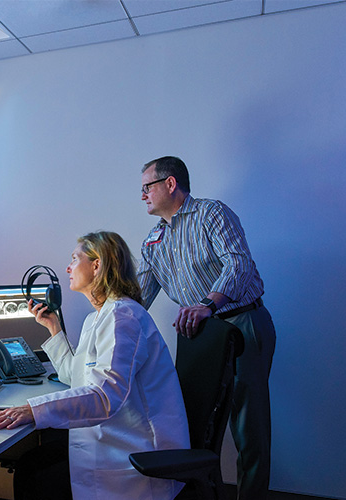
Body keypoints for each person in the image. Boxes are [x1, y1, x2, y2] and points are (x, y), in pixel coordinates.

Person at [0, 231, 190, 500]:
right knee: (31, 465)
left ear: (97, 264)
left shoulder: (123, 316)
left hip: (132, 457)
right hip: (109, 441)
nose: (68, 267)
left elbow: (104, 397)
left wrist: (34, 410)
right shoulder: (98, 318)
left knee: (34, 473)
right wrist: (53, 328)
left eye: (74, 258)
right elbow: (75, 376)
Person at [137, 156, 276, 500]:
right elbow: (136, 298)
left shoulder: (212, 214)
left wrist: (208, 305)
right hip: (200, 334)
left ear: (170, 184)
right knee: (197, 424)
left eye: (147, 187)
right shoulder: (154, 240)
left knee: (248, 428)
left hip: (241, 322)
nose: (142, 196)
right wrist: (103, 318)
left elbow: (238, 263)